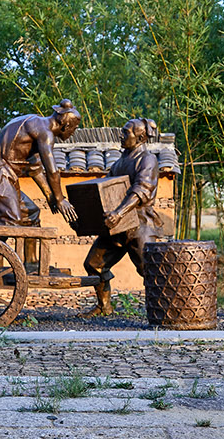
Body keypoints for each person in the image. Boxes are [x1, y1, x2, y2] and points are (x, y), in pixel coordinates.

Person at [80, 118, 166, 317]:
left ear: (141, 137)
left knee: (149, 269)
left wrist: (119, 213)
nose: (121, 135)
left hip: (140, 224)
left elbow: (141, 190)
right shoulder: (119, 162)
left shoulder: (147, 159)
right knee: (94, 263)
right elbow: (105, 188)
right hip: (116, 227)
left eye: (126, 132)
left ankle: (162, 310)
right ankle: (104, 306)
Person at [0, 99, 81, 227]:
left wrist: (50, 196)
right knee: (11, 221)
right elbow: (52, 170)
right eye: (74, 129)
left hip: (5, 176)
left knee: (31, 215)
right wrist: (60, 200)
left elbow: (35, 169)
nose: (73, 133)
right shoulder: (46, 133)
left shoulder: (35, 122)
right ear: (66, 126)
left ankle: (22, 247)